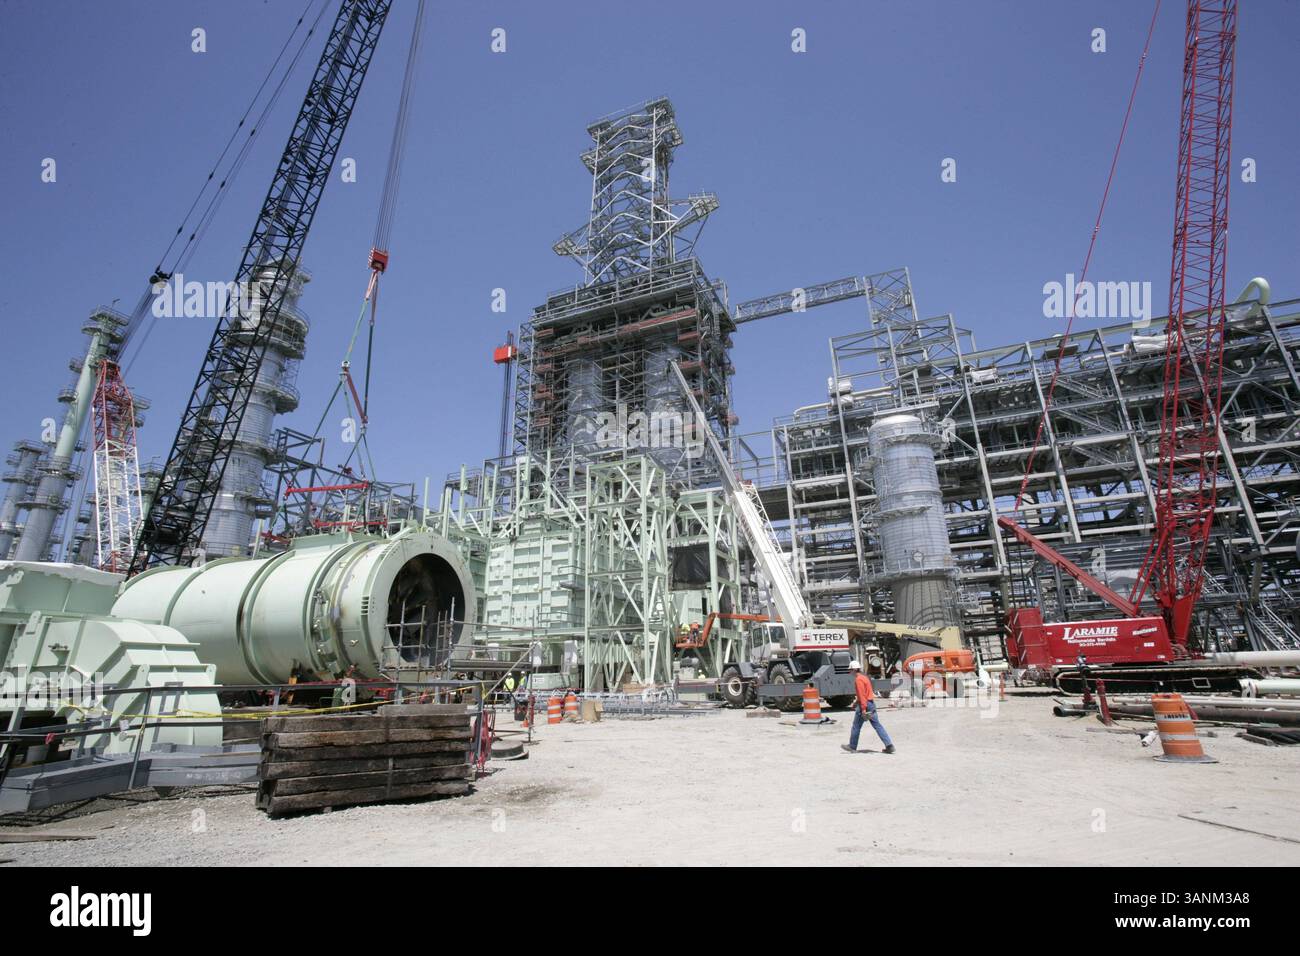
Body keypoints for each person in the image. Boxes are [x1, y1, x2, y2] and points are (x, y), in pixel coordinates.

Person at [841, 660, 895, 754]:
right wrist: (856, 702)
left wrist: (863, 709)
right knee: (877, 726)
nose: (849, 672)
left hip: (865, 705)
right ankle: (889, 745)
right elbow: (865, 693)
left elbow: (862, 695)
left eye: (850, 670)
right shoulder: (864, 678)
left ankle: (852, 746)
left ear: (854, 670)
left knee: (856, 726)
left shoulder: (858, 680)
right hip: (871, 704)